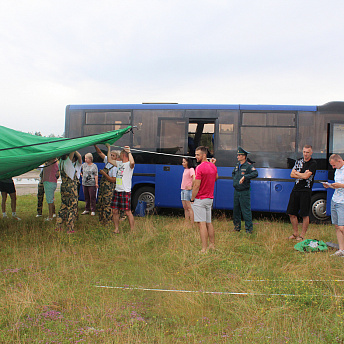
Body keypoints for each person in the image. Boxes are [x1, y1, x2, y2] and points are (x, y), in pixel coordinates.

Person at [190, 146, 218, 253]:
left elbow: (196, 186)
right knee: (209, 223)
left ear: (204, 155)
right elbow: (216, 178)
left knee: (202, 224)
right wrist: (213, 166)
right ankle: (212, 245)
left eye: (198, 154)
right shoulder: (213, 166)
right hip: (209, 198)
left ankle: (204, 249)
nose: (196, 156)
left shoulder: (199, 168)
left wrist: (192, 198)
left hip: (200, 199)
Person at [287, 145, 317, 240]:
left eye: (307, 152)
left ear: (311, 153)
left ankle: (302, 235)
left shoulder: (313, 163)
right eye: (304, 152)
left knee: (304, 214)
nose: (305, 154)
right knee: (291, 213)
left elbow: (306, 177)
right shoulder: (299, 161)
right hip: (296, 189)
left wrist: (298, 174)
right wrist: (302, 174)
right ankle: (295, 233)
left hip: (306, 190)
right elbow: (292, 174)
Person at [106, 143, 135, 233]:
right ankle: (116, 229)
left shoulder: (129, 165)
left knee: (127, 212)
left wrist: (129, 152)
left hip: (125, 191)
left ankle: (132, 230)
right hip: (117, 190)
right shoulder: (119, 164)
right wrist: (109, 148)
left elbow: (132, 162)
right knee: (114, 210)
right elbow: (110, 160)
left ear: (123, 155)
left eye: (121, 155)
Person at [232, 147, 258, 233]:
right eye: (238, 155)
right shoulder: (237, 165)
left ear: (244, 156)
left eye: (239, 155)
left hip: (244, 192)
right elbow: (234, 173)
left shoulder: (248, 166)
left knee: (246, 210)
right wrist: (235, 180)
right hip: (237, 191)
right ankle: (236, 227)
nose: (238, 157)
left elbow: (255, 173)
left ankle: (249, 229)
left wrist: (245, 177)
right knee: (236, 210)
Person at [56, 151, 82, 233]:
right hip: (71, 187)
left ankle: (58, 226)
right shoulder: (67, 162)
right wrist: (74, 148)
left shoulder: (60, 162)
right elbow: (73, 152)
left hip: (63, 186)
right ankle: (69, 228)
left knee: (63, 206)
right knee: (72, 208)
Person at [323, 154, 344, 256]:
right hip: (335, 200)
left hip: (343, 202)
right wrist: (330, 186)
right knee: (337, 226)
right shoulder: (337, 170)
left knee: (342, 227)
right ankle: (341, 249)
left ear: (339, 161)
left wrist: (341, 185)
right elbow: (337, 186)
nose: (333, 167)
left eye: (334, 165)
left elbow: (341, 185)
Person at [94, 145, 119, 225]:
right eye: (110, 155)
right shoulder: (107, 162)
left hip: (109, 189)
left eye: (113, 155)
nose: (111, 156)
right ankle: (102, 220)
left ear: (116, 158)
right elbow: (100, 153)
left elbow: (113, 180)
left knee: (107, 204)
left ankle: (108, 221)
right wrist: (95, 145)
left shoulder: (115, 167)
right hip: (103, 188)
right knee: (101, 203)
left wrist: (104, 174)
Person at [181, 157, 195, 224]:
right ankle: (186, 222)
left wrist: (191, 187)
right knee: (185, 207)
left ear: (188, 162)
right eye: (182, 162)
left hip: (187, 191)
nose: (182, 163)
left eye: (184, 162)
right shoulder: (185, 169)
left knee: (189, 208)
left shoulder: (191, 169)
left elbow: (194, 178)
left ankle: (192, 223)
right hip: (183, 190)